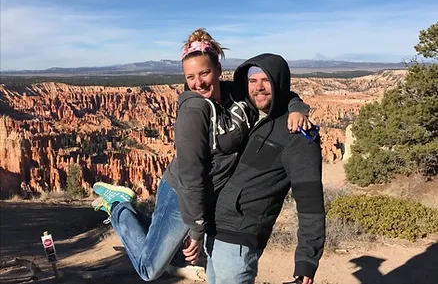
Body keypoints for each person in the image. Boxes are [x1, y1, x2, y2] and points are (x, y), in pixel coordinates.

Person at [91, 29, 312, 281]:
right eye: (190, 77)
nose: (199, 83)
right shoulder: (194, 111)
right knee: (150, 270)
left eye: (204, 73)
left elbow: (277, 91)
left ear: (218, 69)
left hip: (205, 196)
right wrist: (196, 228)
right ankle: (119, 207)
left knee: (171, 247)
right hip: (180, 193)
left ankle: (152, 226)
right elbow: (191, 176)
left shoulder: (236, 94)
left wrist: (297, 108)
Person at [199, 53, 326, 284]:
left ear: (278, 82)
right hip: (214, 231)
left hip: (240, 237)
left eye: (266, 80)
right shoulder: (248, 115)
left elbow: (311, 201)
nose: (259, 87)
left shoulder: (297, 134)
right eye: (252, 81)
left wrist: (307, 260)